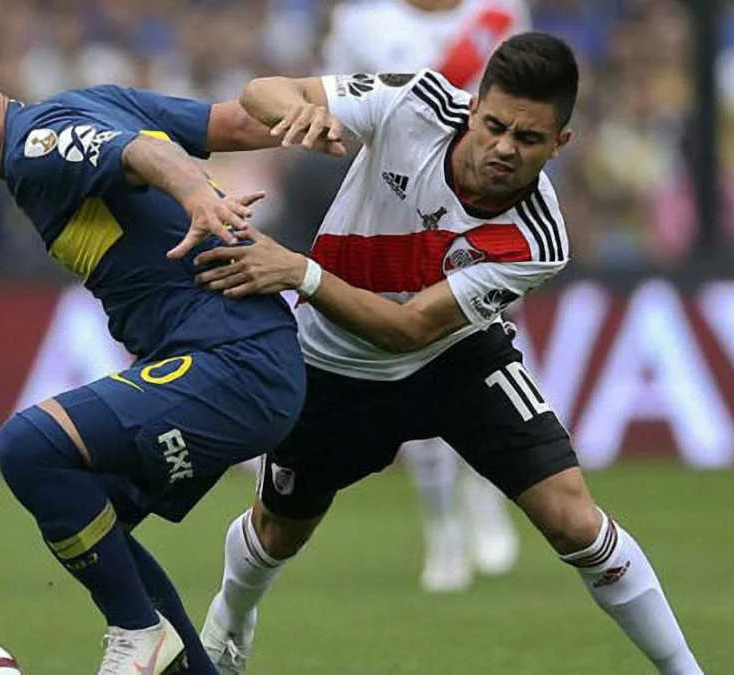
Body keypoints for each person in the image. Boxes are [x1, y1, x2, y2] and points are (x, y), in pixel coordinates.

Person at [193, 33, 703, 674]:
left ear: (560, 143)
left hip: (452, 356)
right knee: (277, 533)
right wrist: (299, 109)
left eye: (528, 138)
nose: (505, 148)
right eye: (495, 126)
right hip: (332, 363)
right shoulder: (415, 103)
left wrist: (301, 273)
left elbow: (409, 330)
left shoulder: (537, 237)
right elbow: (261, 92)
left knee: (575, 522)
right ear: (473, 109)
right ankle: (231, 618)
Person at [0, 32, 306, 674]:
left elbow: (142, 154)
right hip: (243, 358)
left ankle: (138, 632)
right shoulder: (91, 103)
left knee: (29, 447)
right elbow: (234, 123)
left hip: (234, 361)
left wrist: (197, 195)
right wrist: (333, 112)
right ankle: (169, 652)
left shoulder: (32, 146)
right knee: (90, 512)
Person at [322, 0, 533, 593]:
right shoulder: (360, 22)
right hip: (399, 211)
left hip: (486, 210)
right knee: (414, 362)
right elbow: (339, 113)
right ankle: (442, 529)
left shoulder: (499, 13)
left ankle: (485, 491)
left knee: (488, 354)